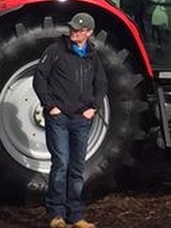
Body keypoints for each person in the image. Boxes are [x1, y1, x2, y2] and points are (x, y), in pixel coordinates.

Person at [32, 12, 107, 228]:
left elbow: (101, 84)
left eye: (79, 29)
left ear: (89, 33)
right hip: (59, 118)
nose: (73, 32)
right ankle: (56, 215)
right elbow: (40, 78)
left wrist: (93, 107)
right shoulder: (55, 51)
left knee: (77, 167)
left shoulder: (93, 56)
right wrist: (50, 106)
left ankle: (76, 216)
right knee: (61, 163)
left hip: (81, 119)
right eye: (72, 28)